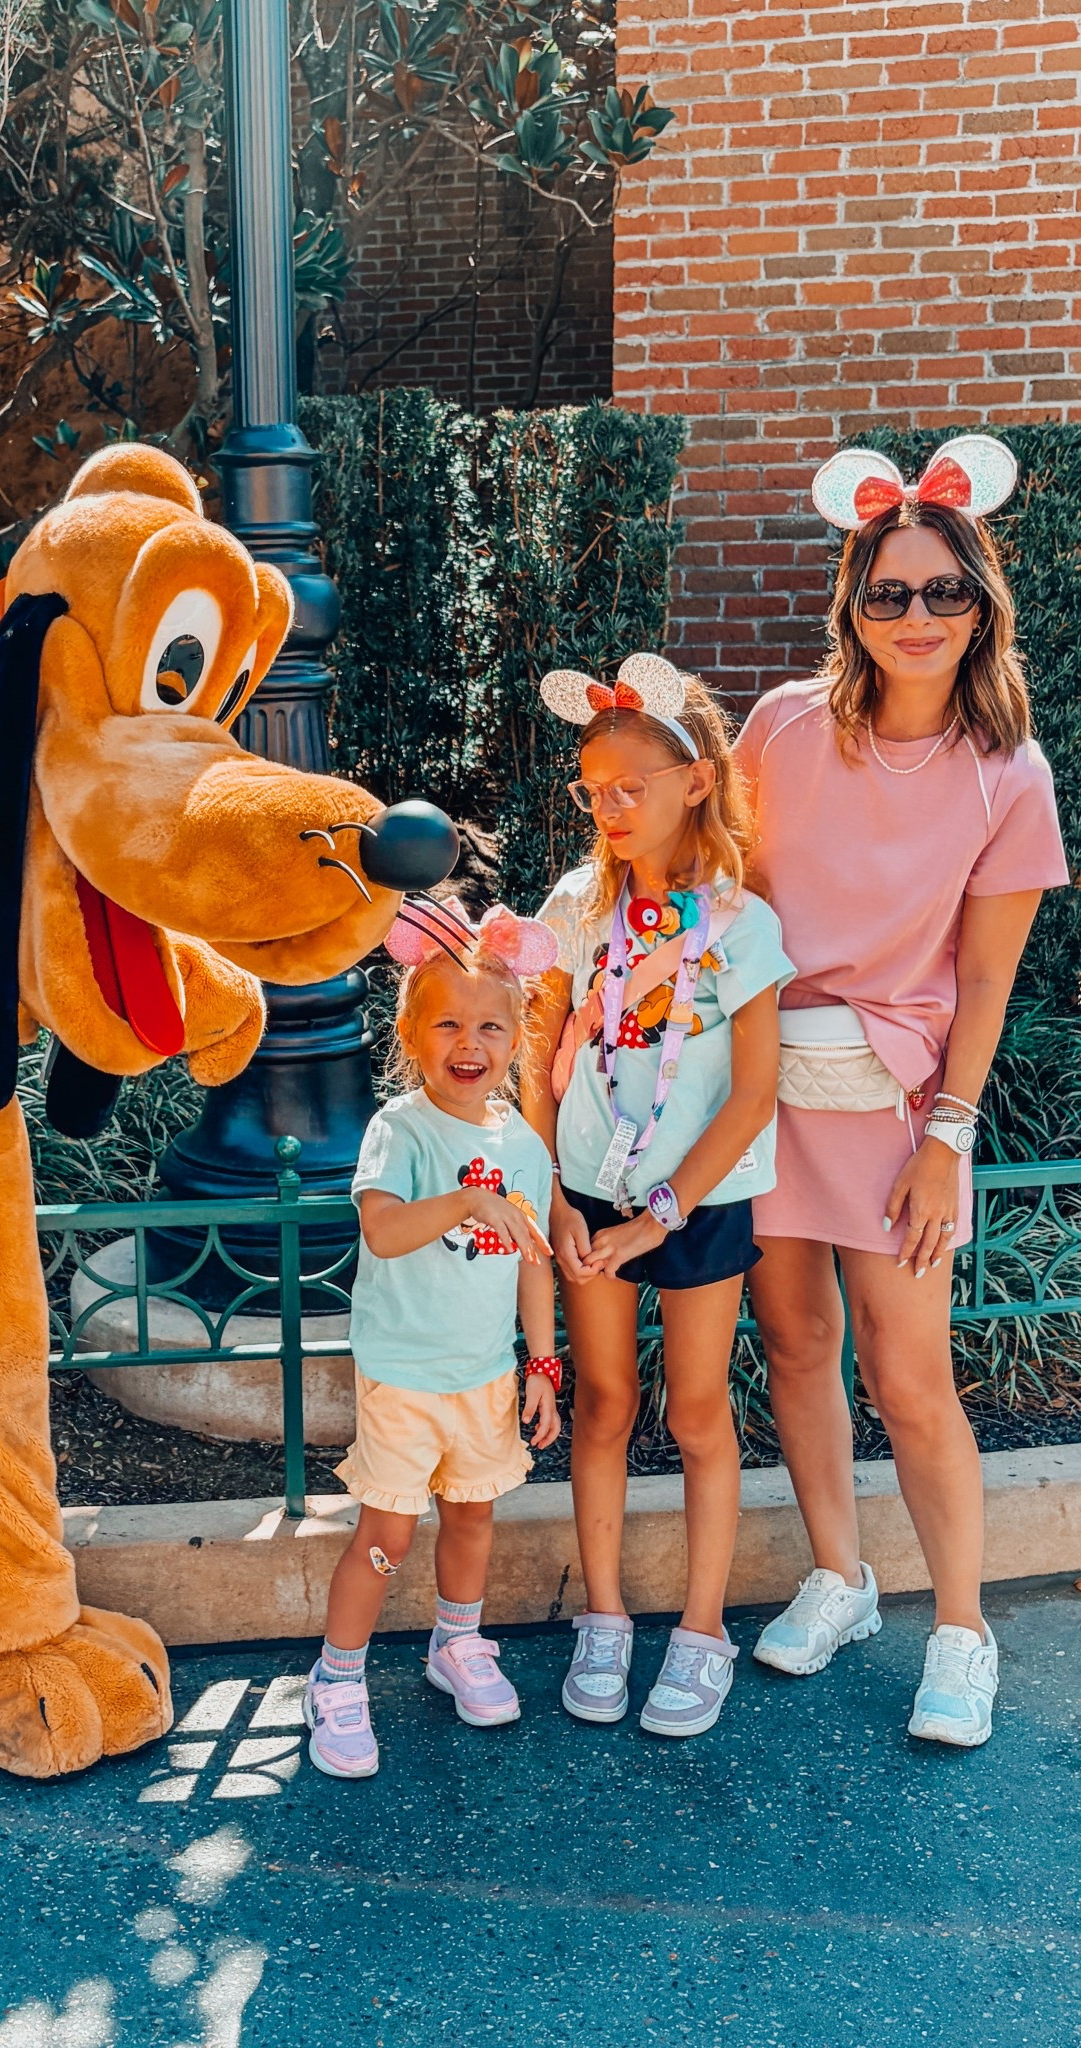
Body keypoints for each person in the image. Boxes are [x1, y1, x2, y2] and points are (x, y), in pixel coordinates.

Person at [735, 434, 1069, 1748]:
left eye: (943, 590)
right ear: (853, 605)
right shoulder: (780, 727)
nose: (916, 614)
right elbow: (727, 903)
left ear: (981, 605)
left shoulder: (1009, 772)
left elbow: (985, 981)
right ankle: (842, 1575)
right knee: (795, 1343)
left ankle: (964, 1629)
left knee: (910, 1375)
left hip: (896, 1111)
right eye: (889, 592)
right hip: (766, 1092)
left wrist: (949, 1140)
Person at [523, 656, 793, 1738]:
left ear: (697, 781)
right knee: (603, 1403)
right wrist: (553, 1191)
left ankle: (701, 1629)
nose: (611, 806)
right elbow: (538, 1049)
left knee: (695, 1410)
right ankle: (603, 1618)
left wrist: (660, 1215)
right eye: (594, 789)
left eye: (631, 785)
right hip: (589, 1195)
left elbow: (755, 1094)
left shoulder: (742, 925)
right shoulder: (577, 907)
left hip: (697, 1202)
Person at [303, 899, 563, 1781]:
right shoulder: (400, 1130)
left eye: (490, 1026)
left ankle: (457, 1643)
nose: (469, 1042)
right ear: (411, 1034)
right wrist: (467, 1201)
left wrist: (542, 1365)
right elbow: (383, 1231)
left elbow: (533, 1265)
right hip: (405, 1376)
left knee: (473, 1518)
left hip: (484, 1375)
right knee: (388, 1535)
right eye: (447, 1022)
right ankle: (337, 1677)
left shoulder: (523, 1145)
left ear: (516, 1039)